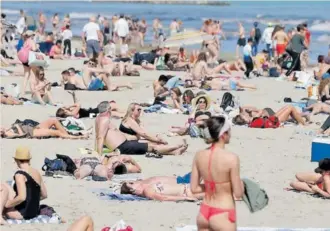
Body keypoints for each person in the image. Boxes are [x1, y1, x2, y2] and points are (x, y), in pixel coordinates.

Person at [190, 115, 243, 230]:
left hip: (204, 212)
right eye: (229, 131)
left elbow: (194, 189)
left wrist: (212, 185)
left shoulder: (199, 155)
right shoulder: (231, 158)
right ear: (223, 135)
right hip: (223, 212)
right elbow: (238, 193)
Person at [95, 101, 188, 155]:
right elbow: (100, 137)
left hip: (125, 143)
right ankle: (177, 146)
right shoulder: (105, 120)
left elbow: (100, 136)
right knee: (152, 147)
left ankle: (175, 152)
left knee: (151, 144)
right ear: (108, 110)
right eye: (138, 109)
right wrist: (99, 155)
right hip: (123, 146)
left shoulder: (99, 119)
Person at [0, 146, 47, 224]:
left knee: (2, 188)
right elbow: (44, 195)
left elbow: (22, 197)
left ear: (16, 160)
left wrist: (7, 204)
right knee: (5, 185)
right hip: (33, 212)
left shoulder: (20, 175)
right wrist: (32, 201)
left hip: (22, 213)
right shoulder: (36, 172)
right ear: (29, 160)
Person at [120, 177, 203, 201]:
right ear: (132, 190)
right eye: (131, 183)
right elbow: (163, 198)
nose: (134, 182)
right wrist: (185, 198)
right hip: (188, 191)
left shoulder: (148, 186)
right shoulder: (147, 191)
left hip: (188, 186)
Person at [56, 91, 124, 118]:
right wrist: (69, 106)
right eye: (64, 109)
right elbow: (78, 105)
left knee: (113, 108)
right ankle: (126, 114)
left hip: (95, 112)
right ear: (65, 111)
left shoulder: (73, 115)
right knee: (113, 107)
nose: (66, 108)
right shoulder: (73, 114)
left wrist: (73, 96)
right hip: (96, 111)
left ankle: (125, 114)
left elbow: (77, 106)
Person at [1, 118, 88, 139]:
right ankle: (77, 137)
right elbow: (21, 135)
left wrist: (8, 128)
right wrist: (17, 127)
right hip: (32, 133)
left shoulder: (5, 130)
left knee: (53, 120)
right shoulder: (7, 134)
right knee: (56, 132)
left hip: (32, 127)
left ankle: (66, 135)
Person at [232, 105, 307, 126]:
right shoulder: (252, 119)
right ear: (243, 118)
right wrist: (251, 111)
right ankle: (303, 124)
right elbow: (260, 111)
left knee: (289, 107)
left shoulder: (251, 120)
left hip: (272, 119)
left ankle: (302, 120)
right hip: (273, 121)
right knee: (290, 108)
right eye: (243, 116)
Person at [17, 30, 38, 95]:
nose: (34, 36)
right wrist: (37, 46)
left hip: (24, 59)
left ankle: (23, 91)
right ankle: (33, 90)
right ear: (31, 35)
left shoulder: (25, 41)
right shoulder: (31, 41)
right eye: (33, 35)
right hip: (29, 59)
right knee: (33, 75)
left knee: (26, 75)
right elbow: (34, 49)